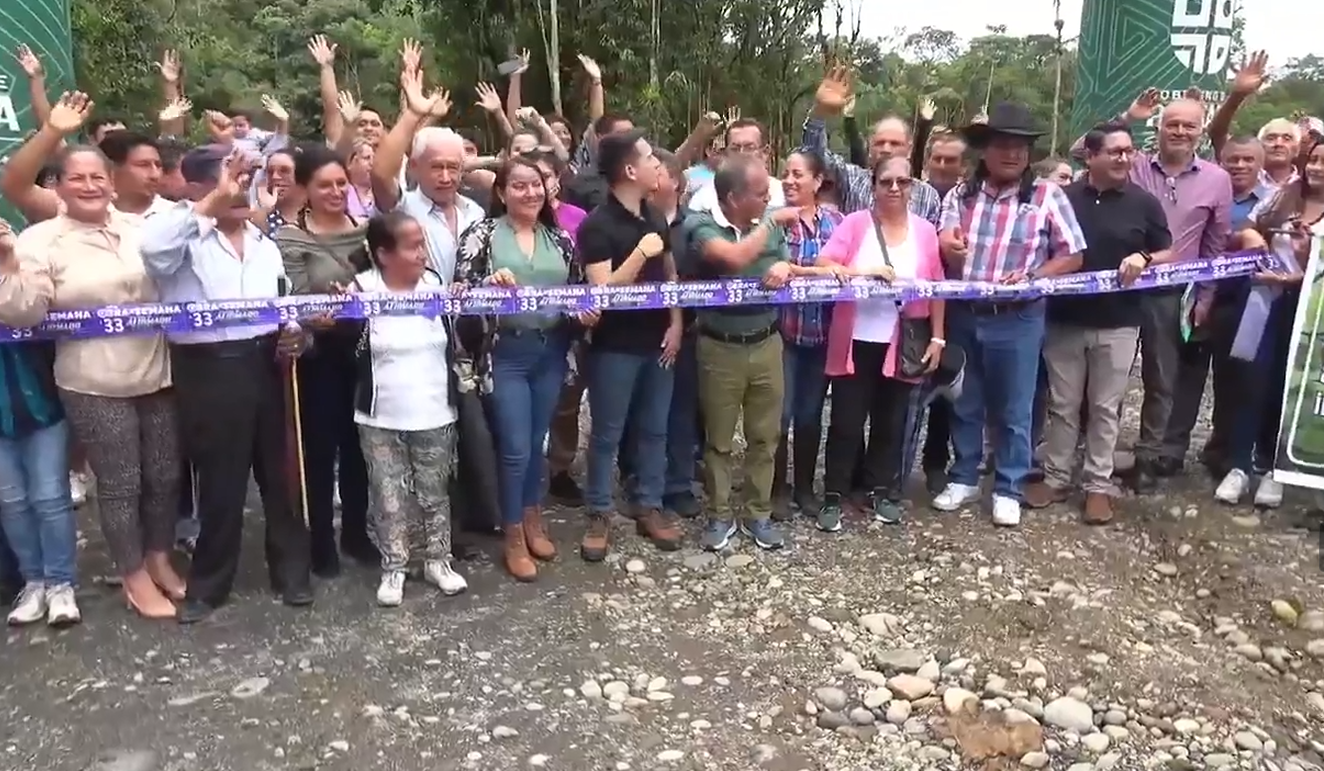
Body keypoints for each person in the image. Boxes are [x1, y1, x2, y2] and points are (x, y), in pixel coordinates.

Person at [0, 120, 183, 623]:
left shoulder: (141, 230)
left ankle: (159, 558)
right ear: (57, 186)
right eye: (76, 178)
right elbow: (23, 313)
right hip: (93, 381)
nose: (88, 186)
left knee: (165, 474)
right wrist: (7, 265)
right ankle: (133, 575)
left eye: (97, 177)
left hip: (158, 371)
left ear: (112, 182)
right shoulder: (41, 240)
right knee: (121, 482)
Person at [140, 145, 314, 624]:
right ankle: (210, 584)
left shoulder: (264, 243)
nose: (241, 190)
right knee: (222, 481)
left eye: (245, 180)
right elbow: (153, 254)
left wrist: (293, 332)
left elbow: (282, 301)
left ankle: (291, 572)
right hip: (209, 367)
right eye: (230, 180)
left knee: (282, 474)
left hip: (267, 362)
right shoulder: (180, 236)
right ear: (199, 187)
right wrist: (214, 200)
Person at [934, 103, 1087, 527]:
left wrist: (1035, 275)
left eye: (1022, 146)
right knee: (965, 400)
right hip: (966, 312)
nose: (1014, 153)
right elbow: (944, 241)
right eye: (1003, 144)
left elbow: (1074, 254)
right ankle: (964, 476)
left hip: (1018, 316)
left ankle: (1008, 487)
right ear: (985, 150)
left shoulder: (1046, 196)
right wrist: (950, 246)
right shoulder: (961, 195)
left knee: (1015, 408)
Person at [1072, 90, 1232, 492]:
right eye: (1171, 124)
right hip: (1119, 288)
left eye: (1189, 125)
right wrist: (1127, 117)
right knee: (1107, 378)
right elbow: (1080, 150)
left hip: (1172, 293)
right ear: (1158, 128)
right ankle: (1097, 455)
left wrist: (1206, 297)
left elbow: (1215, 245)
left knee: (1162, 378)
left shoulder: (1216, 179)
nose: (1179, 131)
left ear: (1200, 131)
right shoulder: (1135, 163)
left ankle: (1149, 456)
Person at [453, 156, 594, 581]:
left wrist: (584, 313)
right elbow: (460, 296)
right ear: (501, 192)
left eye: (536, 184)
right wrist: (487, 287)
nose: (530, 193)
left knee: (535, 443)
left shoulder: (561, 239)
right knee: (514, 447)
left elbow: (578, 291)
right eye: (519, 185)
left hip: (550, 351)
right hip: (504, 355)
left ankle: (532, 516)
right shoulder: (482, 235)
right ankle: (511, 531)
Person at [1025, 122, 1173, 524]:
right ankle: (1056, 478)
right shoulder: (1063, 198)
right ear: (1090, 157)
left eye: (1128, 151)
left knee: (1106, 408)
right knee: (1063, 405)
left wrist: (1144, 257)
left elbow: (1168, 251)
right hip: (1064, 319)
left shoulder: (1144, 203)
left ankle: (1097, 485)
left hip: (1119, 322)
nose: (1124, 158)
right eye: (1114, 151)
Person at [815, 157, 947, 531]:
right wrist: (858, 272)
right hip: (854, 340)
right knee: (846, 422)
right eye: (886, 181)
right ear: (872, 186)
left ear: (912, 187)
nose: (894, 188)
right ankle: (834, 495)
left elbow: (937, 286)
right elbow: (824, 262)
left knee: (891, 422)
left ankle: (880, 491)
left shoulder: (925, 232)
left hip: (902, 342)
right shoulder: (855, 224)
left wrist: (938, 337)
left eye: (902, 181)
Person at [687, 156, 810, 551]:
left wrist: (786, 268)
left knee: (765, 437)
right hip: (719, 346)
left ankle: (758, 513)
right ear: (732, 198)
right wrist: (771, 224)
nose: (768, 199)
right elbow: (734, 258)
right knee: (719, 441)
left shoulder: (769, 222)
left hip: (767, 342)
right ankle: (719, 515)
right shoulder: (700, 224)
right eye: (760, 194)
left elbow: (784, 261)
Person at [575, 131, 682, 562]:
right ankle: (599, 512)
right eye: (649, 158)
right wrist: (639, 253)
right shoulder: (596, 225)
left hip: (658, 341)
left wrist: (677, 324)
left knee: (656, 429)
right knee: (607, 433)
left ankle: (649, 504)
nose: (658, 165)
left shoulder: (656, 217)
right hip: (614, 346)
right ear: (629, 170)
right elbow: (601, 290)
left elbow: (671, 277)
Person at [351, 212, 467, 605]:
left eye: (423, 245)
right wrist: (344, 315)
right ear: (384, 254)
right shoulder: (360, 290)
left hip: (434, 409)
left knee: (435, 492)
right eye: (412, 246)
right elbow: (349, 348)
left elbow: (457, 338)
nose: (422, 254)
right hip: (380, 413)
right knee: (388, 496)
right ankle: (394, 567)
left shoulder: (435, 285)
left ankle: (438, 561)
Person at [276, 147, 374, 577]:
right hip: (318, 355)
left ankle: (356, 531)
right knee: (319, 450)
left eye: (341, 183)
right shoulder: (290, 238)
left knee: (360, 446)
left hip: (364, 350)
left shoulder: (368, 232)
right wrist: (312, 315)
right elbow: (291, 296)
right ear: (305, 189)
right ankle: (320, 539)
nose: (335, 192)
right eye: (324, 185)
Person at [1214, 140, 1321, 507]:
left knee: (1286, 386)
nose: (1317, 168)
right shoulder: (1282, 197)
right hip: (1262, 299)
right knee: (1250, 380)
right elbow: (1245, 228)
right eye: (1313, 160)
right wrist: (1252, 236)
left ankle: (1274, 469)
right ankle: (1239, 466)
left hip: (1308, 310)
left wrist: (1300, 272)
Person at [0, 219, 77, 626]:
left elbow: (29, 313)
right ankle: (33, 582)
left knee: (50, 497)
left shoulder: (25, 256)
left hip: (39, 401)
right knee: (11, 501)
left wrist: (7, 261)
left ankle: (61, 584)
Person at [774, 149, 843, 518]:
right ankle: (776, 488)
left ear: (817, 181)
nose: (789, 181)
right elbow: (772, 269)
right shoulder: (774, 221)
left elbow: (846, 268)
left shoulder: (837, 222)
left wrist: (803, 271)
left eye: (798, 174)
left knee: (810, 414)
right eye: (786, 173)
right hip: (783, 334)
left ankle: (804, 487)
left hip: (823, 336)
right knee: (779, 415)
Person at [372, 68, 485, 283]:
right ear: (414, 166)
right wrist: (413, 113)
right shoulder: (403, 207)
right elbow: (379, 173)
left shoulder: (475, 213)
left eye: (453, 167)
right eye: (436, 167)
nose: (445, 177)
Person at [346, 139, 377, 218]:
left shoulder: (382, 194)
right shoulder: (342, 193)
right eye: (366, 158)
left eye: (374, 158)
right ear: (351, 163)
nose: (372, 163)